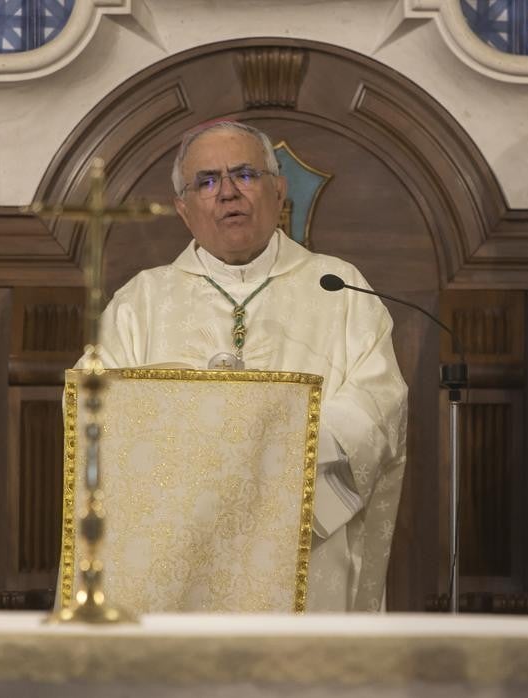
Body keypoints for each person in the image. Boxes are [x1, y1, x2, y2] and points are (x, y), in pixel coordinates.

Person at [94, 120, 408, 612]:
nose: (227, 193)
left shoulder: (339, 287)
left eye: (244, 174)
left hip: (302, 527)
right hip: (178, 538)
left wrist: (274, 451)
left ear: (278, 189)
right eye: (207, 181)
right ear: (183, 208)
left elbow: (379, 403)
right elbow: (100, 416)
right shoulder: (141, 301)